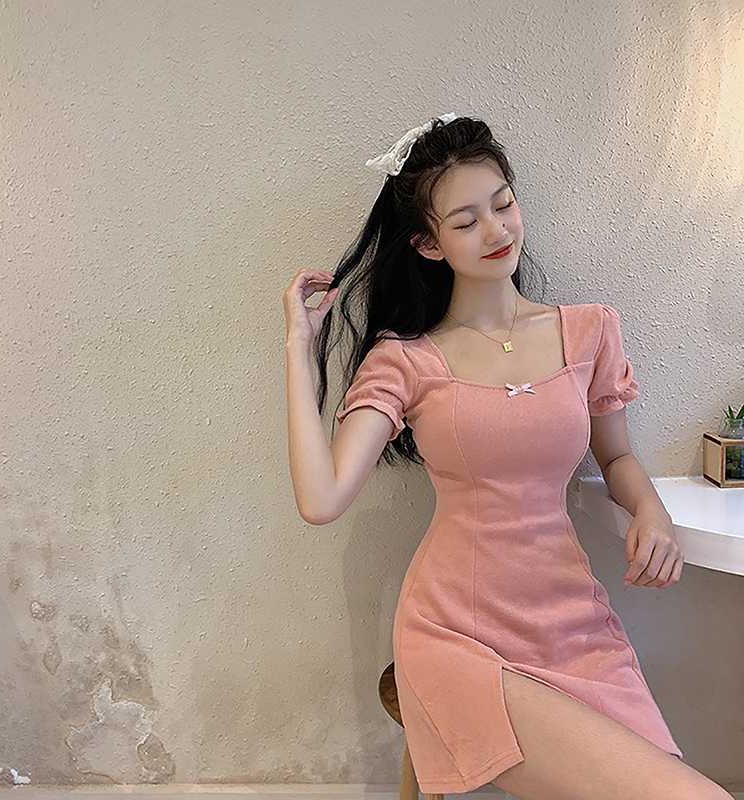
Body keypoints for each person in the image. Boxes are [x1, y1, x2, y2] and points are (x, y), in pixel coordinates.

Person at [282, 114, 732, 799]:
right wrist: (298, 346)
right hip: (457, 634)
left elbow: (616, 459)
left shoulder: (588, 331)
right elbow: (321, 500)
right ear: (428, 243)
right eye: (466, 222)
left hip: (575, 625)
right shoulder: (406, 361)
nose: (496, 231)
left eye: (503, 204)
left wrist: (652, 514)